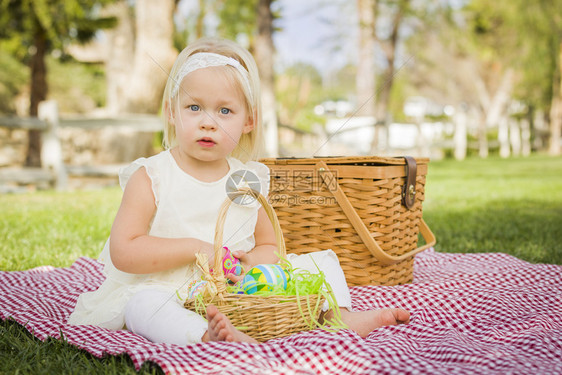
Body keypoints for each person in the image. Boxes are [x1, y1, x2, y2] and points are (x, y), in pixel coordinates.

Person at [68, 37, 410, 345]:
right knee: (141, 307)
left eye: (225, 111)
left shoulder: (247, 179)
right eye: (194, 107)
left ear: (248, 121)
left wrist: (253, 261)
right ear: (172, 113)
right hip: (169, 288)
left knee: (318, 261)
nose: (208, 122)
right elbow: (124, 252)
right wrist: (197, 249)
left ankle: (336, 315)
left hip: (239, 289)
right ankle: (205, 335)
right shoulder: (153, 175)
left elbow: (270, 246)